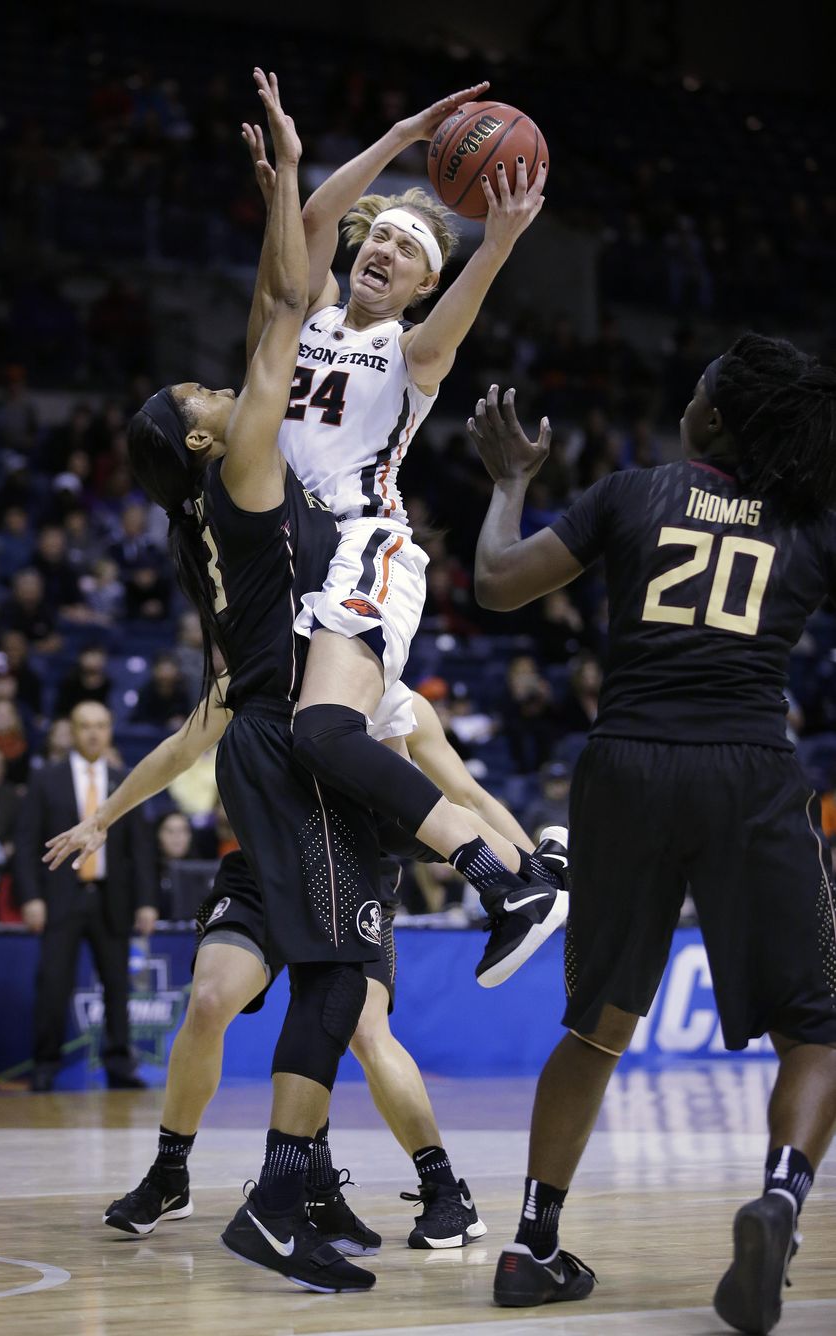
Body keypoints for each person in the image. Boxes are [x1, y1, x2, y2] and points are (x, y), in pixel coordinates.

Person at [150, 84, 561, 990]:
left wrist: (494, 245)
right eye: (382, 237)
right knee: (386, 747)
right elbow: (310, 225)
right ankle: (532, 863)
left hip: (363, 548)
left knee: (340, 735)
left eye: (410, 250)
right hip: (293, 571)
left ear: (421, 285)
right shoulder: (302, 322)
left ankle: (509, 881)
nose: (387, 248)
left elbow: (460, 314)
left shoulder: (411, 353)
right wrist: (406, 137)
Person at [467, 342, 836, 1334]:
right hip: (748, 771)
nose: (684, 397)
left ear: (713, 421)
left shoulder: (631, 494)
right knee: (817, 1031)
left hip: (623, 766)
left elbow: (497, 582)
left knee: (595, 1025)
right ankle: (777, 1199)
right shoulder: (807, 524)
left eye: (697, 388)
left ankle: (530, 1244)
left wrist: (507, 484)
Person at [117, 70, 382, 1294]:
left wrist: (297, 177)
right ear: (206, 440)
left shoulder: (218, 514)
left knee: (332, 971)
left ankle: (291, 1186)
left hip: (268, 737)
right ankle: (278, 1194)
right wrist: (284, 174)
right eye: (203, 398)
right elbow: (288, 295)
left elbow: (291, 299)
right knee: (337, 970)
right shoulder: (248, 468)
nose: (220, 387)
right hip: (289, 742)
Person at [45, 682, 560, 1251]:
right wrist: (102, 818)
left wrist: (538, 872)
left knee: (366, 1030)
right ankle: (170, 1172)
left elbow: (466, 796)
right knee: (211, 1000)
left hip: (355, 878)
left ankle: (444, 1192)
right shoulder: (265, 671)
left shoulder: (399, 702)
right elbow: (180, 748)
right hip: (263, 873)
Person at [14, 700, 157, 1091]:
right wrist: (31, 896)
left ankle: (119, 1064)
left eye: (100, 725)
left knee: (117, 985)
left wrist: (146, 900)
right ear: (72, 732)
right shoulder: (47, 779)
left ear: (110, 729)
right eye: (85, 726)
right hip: (61, 897)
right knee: (53, 985)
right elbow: (26, 844)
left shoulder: (125, 780)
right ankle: (45, 1065)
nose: (93, 732)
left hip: (112, 898)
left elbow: (140, 848)